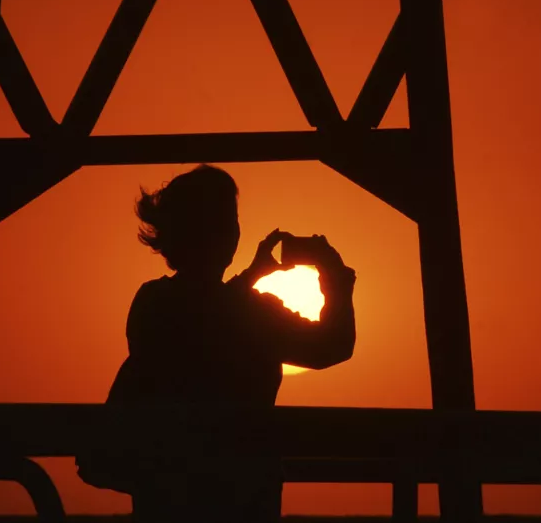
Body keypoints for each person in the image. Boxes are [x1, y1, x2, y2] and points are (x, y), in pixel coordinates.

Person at [77, 165, 357, 523]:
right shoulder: (255, 315)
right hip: (243, 498)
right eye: (228, 220)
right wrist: (335, 276)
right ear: (225, 234)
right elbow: (332, 346)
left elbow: (200, 318)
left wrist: (250, 276)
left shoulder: (150, 303)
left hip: (164, 498)